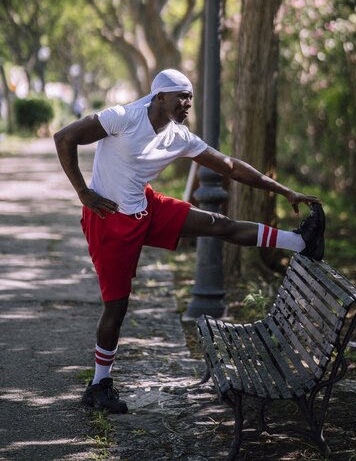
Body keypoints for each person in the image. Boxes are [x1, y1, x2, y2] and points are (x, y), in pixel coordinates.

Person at [54, 68, 325, 414]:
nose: (187, 104)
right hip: (109, 222)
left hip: (144, 207)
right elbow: (64, 137)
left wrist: (283, 189)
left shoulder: (178, 136)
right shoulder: (122, 117)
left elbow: (230, 166)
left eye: (190, 98)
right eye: (181, 97)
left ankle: (301, 243)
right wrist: (84, 193)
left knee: (219, 224)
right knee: (117, 308)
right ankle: (98, 385)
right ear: (160, 97)